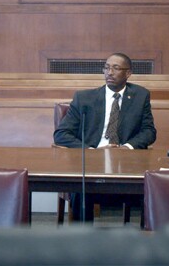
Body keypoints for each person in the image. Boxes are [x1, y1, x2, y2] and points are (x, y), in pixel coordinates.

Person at [53, 52, 156, 222]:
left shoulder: (140, 96)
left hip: (126, 164)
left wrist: (126, 148)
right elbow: (61, 135)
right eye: (106, 68)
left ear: (128, 73)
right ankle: (82, 240)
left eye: (116, 68)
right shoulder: (84, 98)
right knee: (81, 186)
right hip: (91, 162)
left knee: (149, 184)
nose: (109, 72)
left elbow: (149, 131)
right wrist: (92, 151)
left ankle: (141, 242)